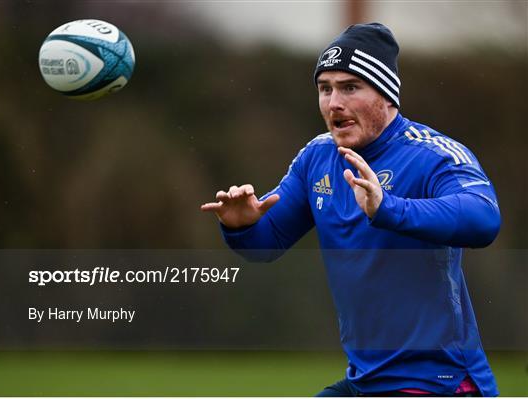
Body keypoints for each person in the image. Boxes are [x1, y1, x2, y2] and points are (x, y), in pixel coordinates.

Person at [201, 23, 501, 397]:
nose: (333, 103)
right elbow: (267, 244)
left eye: (349, 87)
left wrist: (388, 208)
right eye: (325, 89)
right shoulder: (317, 157)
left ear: (387, 96)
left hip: (438, 381)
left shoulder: (432, 154)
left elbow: (484, 219)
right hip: (366, 380)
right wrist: (241, 227)